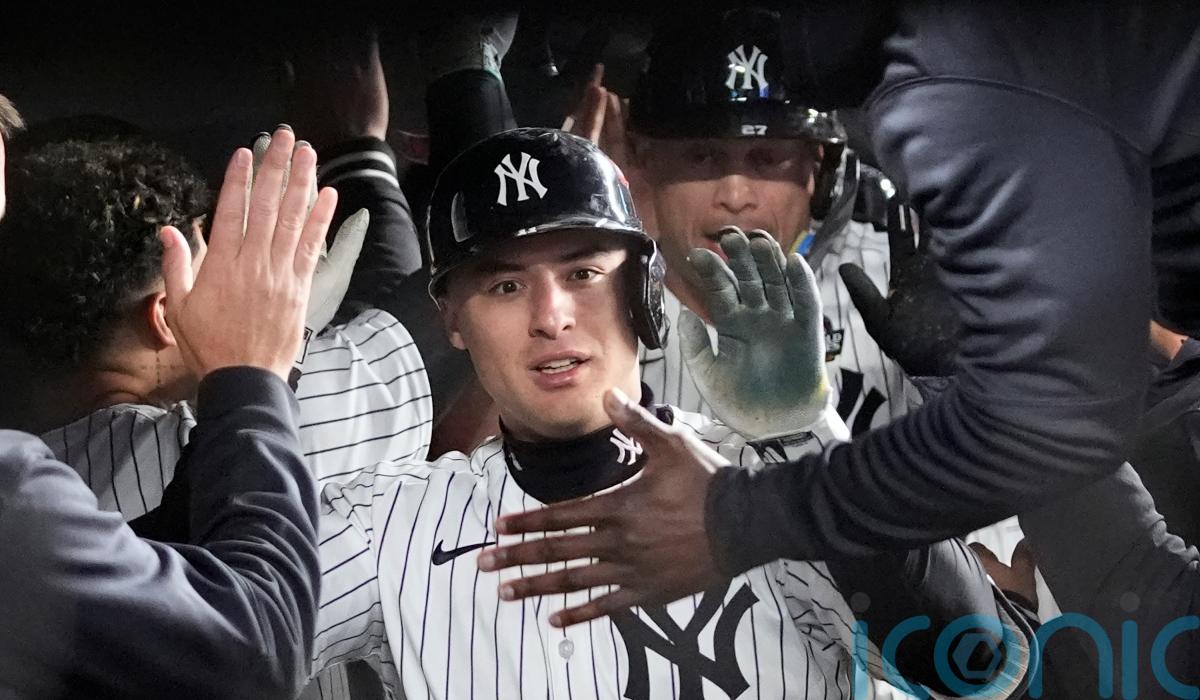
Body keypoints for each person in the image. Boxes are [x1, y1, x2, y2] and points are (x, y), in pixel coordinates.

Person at [476, 0, 1200, 626]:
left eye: (768, 160)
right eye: (702, 156)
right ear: (642, 161)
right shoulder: (576, 315)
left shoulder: (915, 280)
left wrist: (981, 362)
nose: (735, 193)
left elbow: (1023, 602)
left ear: (818, 169)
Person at [310, 128, 1030, 699]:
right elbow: (240, 643)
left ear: (643, 290)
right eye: (505, 286)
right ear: (452, 320)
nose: (551, 317)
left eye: (583, 272)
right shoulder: (387, 527)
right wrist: (259, 378)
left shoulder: (772, 491)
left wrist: (804, 436)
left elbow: (975, 669)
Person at [0, 109, 328, 698]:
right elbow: (256, 652)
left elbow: (141, 582)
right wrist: (252, 373)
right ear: (164, 314)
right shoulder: (13, 493)